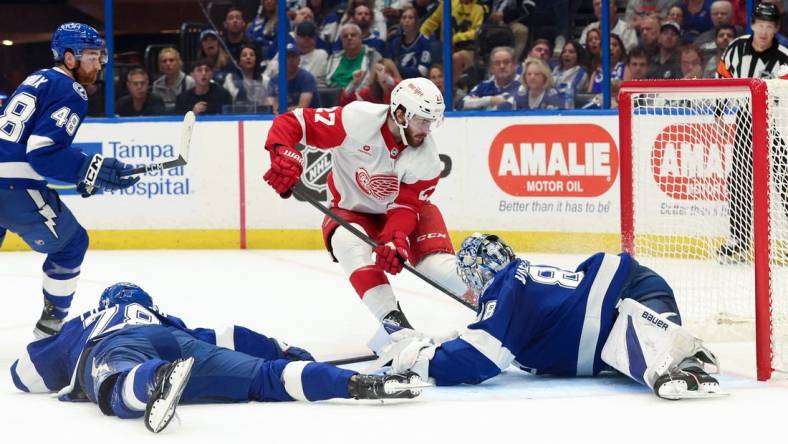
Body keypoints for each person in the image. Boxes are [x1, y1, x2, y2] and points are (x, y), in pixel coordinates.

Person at [10, 282, 426, 434]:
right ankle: (356, 385)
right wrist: (285, 350)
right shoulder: (162, 317)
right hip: (175, 341)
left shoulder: (89, 320)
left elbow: (23, 374)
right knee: (266, 378)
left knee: (116, 388)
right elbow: (230, 335)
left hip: (117, 346)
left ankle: (154, 379)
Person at [374, 233, 725, 400]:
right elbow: (489, 340)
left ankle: (683, 359)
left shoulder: (506, 287)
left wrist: (421, 361)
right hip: (634, 288)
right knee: (633, 348)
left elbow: (479, 359)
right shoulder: (517, 284)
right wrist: (446, 341)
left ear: (476, 274)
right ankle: (687, 359)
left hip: (628, 294)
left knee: (643, 347)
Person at [262, 77, 470, 328]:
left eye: (432, 122)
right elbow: (293, 122)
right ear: (401, 114)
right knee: (347, 244)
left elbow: (406, 207)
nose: (427, 130)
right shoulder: (357, 119)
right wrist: (284, 152)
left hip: (405, 213)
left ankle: (498, 305)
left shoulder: (428, 159)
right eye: (422, 120)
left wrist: (396, 238)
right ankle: (395, 326)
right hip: (351, 210)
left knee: (437, 268)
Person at [0, 23, 140, 338]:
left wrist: (85, 174)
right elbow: (42, 153)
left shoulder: (35, 79)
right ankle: (49, 334)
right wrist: (89, 168)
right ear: (69, 57)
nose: (99, 62)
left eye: (100, 55)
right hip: (14, 187)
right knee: (72, 244)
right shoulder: (71, 90)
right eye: (92, 55)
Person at [716, 2, 788, 260]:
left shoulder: (784, 57)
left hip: (776, 122)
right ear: (753, 24)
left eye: (770, 26)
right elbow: (722, 78)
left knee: (785, 178)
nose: (764, 31)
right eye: (761, 25)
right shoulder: (736, 48)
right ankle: (738, 239)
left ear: (776, 28)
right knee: (739, 180)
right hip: (746, 121)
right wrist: (719, 110)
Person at [460, 46, 521, 111]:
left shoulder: (525, 84)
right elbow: (462, 104)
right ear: (491, 68)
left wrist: (478, 101)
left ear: (515, 65)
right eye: (497, 63)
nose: (502, 66)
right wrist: (490, 100)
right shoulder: (484, 86)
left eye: (506, 62)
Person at [326, 23, 383, 89]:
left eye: (353, 35)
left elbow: (372, 83)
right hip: (333, 94)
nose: (349, 38)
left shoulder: (373, 56)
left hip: (359, 95)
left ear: (360, 38)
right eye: (345, 36)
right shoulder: (333, 58)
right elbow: (326, 80)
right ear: (341, 41)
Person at [266, 43, 320, 113]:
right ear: (279, 60)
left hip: (308, 119)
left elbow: (302, 108)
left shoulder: (307, 78)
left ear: (299, 60)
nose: (290, 60)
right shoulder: (274, 80)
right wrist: (277, 110)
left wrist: (281, 111)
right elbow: (271, 106)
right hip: (284, 118)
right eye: (287, 57)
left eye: (293, 56)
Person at [384, 7, 432, 79]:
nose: (407, 20)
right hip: (397, 81)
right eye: (404, 18)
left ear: (416, 21)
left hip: (417, 83)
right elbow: (388, 65)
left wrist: (398, 69)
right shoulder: (395, 42)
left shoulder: (424, 42)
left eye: (410, 18)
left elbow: (422, 71)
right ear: (400, 22)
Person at [223, 44, 268, 112]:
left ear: (256, 60)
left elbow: (267, 104)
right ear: (239, 61)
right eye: (244, 55)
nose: (248, 57)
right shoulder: (230, 79)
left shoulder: (265, 80)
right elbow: (226, 102)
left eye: (252, 55)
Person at [151, 48, 195, 114]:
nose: (168, 63)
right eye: (164, 61)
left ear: (179, 62)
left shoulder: (189, 82)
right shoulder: (157, 84)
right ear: (160, 65)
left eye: (171, 60)